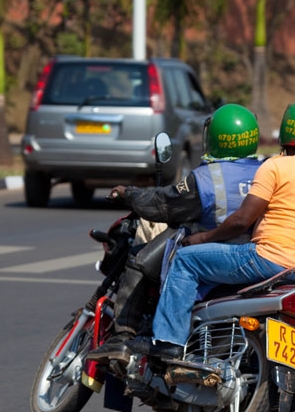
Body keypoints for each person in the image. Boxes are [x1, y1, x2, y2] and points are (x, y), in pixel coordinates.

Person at [123, 98, 295, 359]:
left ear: (286, 129)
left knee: (185, 261)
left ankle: (167, 341)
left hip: (266, 260)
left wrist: (202, 238)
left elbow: (241, 221)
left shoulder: (274, 166)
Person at [87, 103, 263, 361]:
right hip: (257, 257)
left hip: (213, 255)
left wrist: (129, 193)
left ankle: (124, 339)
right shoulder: (268, 171)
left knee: (140, 261)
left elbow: (163, 205)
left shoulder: (206, 177)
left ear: (215, 138)